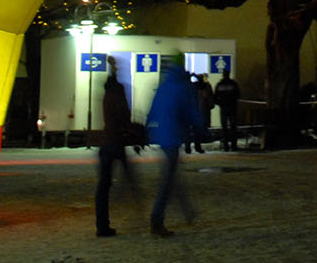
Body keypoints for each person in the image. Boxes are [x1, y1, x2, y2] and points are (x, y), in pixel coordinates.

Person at [146, 62, 203, 236]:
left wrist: (149, 130)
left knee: (173, 176)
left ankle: (187, 211)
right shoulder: (183, 88)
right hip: (173, 136)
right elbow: (191, 112)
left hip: (163, 136)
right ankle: (156, 219)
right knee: (167, 182)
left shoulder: (164, 87)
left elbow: (153, 110)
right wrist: (202, 129)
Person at [94, 57, 135, 238]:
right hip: (116, 141)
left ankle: (102, 225)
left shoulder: (107, 93)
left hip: (106, 142)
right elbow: (124, 116)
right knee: (129, 178)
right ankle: (136, 207)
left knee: (103, 185)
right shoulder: (118, 92)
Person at [213, 68, 241, 151]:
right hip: (232, 108)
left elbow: (215, 98)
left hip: (224, 108)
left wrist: (221, 104)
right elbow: (238, 95)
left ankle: (226, 146)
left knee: (224, 128)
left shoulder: (219, 84)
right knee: (233, 127)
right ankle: (234, 146)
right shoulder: (233, 84)